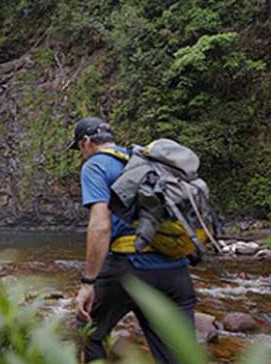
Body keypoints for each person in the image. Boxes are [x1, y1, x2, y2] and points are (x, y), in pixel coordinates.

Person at [69, 117, 197, 363]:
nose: (81, 154)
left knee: (89, 330)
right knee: (177, 355)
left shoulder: (96, 165)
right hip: (176, 270)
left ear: (86, 141)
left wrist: (88, 283)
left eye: (79, 148)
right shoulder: (144, 162)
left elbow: (100, 225)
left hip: (129, 268)